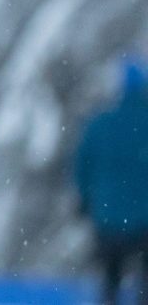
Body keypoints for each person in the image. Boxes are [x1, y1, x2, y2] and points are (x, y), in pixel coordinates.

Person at [76, 56, 148, 305]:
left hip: (109, 217)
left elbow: (81, 167)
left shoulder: (100, 123)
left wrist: (86, 201)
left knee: (110, 279)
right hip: (145, 220)